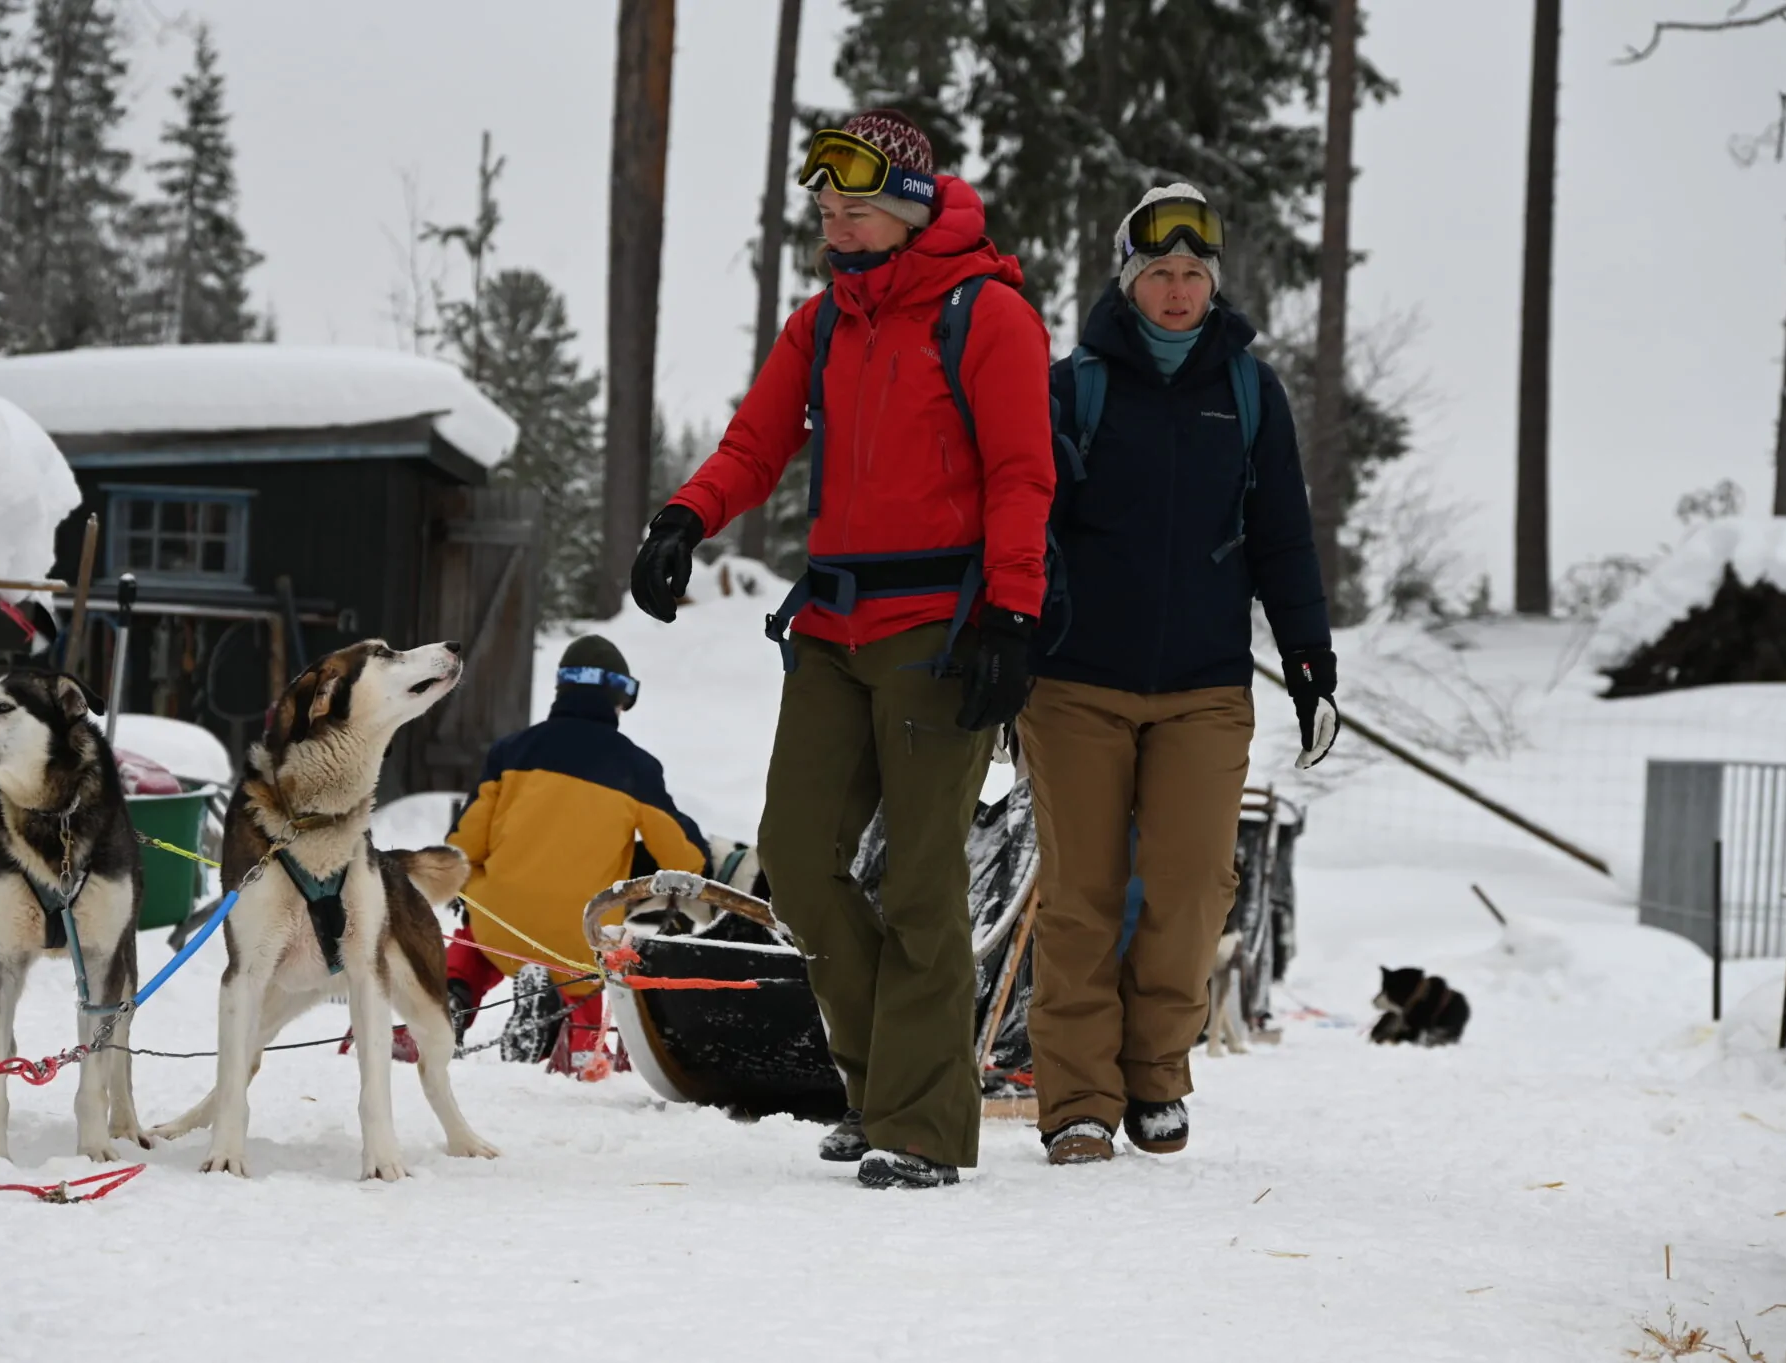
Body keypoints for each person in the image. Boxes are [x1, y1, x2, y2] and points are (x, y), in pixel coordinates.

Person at [629, 109, 1054, 1189]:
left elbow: (1020, 475)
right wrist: (684, 517)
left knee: (917, 883)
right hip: (829, 627)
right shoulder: (820, 325)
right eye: (825, 210)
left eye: (855, 208)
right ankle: (879, 1087)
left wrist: (1013, 613)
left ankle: (917, 1126)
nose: (837, 225)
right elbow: (754, 443)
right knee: (801, 863)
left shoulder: (987, 315)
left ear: (909, 208)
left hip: (940, 629)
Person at [1020, 184, 1340, 1166]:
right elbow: (1025, 529)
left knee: (1194, 882)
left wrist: (1308, 663)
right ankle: (1075, 1097)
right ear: (1128, 280)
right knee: (1080, 890)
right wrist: (1002, 644)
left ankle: (1155, 1070)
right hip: (1074, 679)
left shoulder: (1247, 392)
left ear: (1211, 284)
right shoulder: (1073, 387)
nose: (1174, 290)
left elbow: (1282, 539)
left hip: (1204, 683)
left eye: (1191, 274)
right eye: (1157, 271)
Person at [444, 635, 709, 1072]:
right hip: (579, 940)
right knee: (589, 976)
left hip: (502, 928)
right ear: (619, 697)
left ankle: (451, 997)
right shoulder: (636, 768)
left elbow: (463, 848)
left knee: (476, 937)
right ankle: (578, 1038)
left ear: (561, 689)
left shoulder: (510, 752)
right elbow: (684, 862)